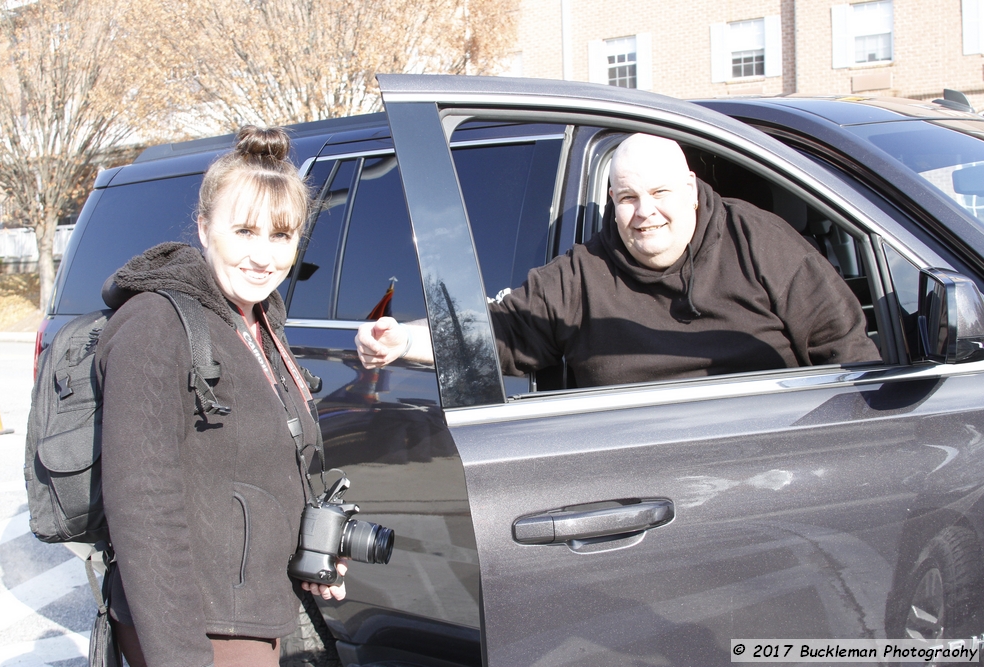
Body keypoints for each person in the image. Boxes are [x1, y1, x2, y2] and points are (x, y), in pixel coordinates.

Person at [96, 126, 345, 667]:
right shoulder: (155, 325)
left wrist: (309, 547)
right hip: (193, 629)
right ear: (205, 229)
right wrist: (181, 656)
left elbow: (253, 469)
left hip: (251, 612)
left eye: (281, 236)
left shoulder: (257, 321)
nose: (263, 256)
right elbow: (143, 510)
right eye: (245, 231)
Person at [355, 133, 881, 384]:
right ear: (613, 204)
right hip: (636, 481)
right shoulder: (585, 273)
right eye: (628, 198)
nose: (645, 213)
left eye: (660, 193)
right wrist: (403, 340)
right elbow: (502, 331)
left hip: (770, 464)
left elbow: (845, 348)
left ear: (693, 191)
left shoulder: (758, 239)